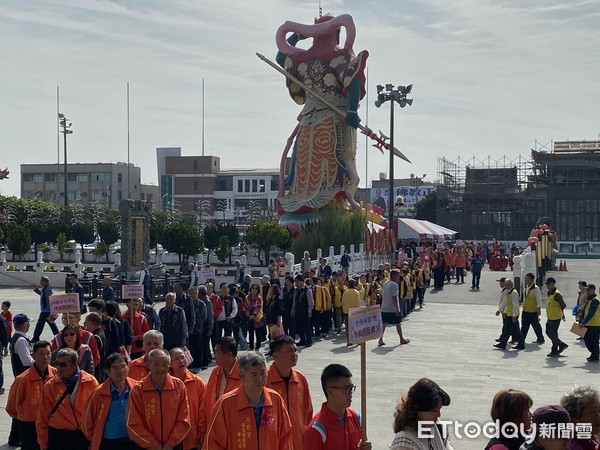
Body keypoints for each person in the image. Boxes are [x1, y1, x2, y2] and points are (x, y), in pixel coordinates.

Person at [275, 15, 366, 217]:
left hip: (311, 122)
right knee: (324, 161)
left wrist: (297, 36)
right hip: (330, 121)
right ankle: (326, 202)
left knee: (315, 161)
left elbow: (281, 57)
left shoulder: (304, 59)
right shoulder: (339, 57)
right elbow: (353, 81)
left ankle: (315, 200)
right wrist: (352, 111)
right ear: (337, 33)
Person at [204, 352, 292, 450]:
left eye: (263, 373)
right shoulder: (225, 404)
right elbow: (213, 443)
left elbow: (285, 438)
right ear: (241, 376)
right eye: (254, 375)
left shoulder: (276, 400)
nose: (259, 379)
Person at [36, 347, 100, 450]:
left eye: (63, 365)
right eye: (56, 363)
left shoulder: (90, 382)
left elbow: (97, 414)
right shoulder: (50, 386)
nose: (58, 368)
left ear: (75, 365)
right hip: (58, 435)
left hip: (82, 435)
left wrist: (95, 440)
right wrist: (43, 444)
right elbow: (42, 417)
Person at [126, 348, 191, 450]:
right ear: (148, 364)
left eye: (165, 364)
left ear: (169, 365)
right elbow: (133, 424)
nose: (161, 368)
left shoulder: (179, 386)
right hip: (146, 447)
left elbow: (184, 420)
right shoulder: (138, 390)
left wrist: (170, 443)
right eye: (156, 364)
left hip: (173, 446)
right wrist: (153, 445)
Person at [303, 363, 371, 450]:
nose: (350, 392)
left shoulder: (357, 418)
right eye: (346, 388)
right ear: (330, 392)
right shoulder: (317, 431)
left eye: (351, 388)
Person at [6, 341, 57, 450]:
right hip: (29, 424)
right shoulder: (22, 379)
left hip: (49, 422)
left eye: (48, 353)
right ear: (33, 355)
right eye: (41, 354)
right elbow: (12, 405)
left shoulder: (56, 375)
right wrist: (24, 415)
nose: (45, 357)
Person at [81, 353, 137, 450]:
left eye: (123, 366)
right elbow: (86, 422)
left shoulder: (136, 389)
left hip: (132, 440)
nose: (120, 371)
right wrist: (95, 437)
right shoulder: (98, 393)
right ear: (107, 372)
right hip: (108, 441)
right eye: (115, 368)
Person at [266, 336, 313, 450]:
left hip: (298, 441)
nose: (294, 354)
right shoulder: (265, 380)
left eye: (295, 350)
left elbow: (308, 411)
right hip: (273, 442)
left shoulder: (300, 379)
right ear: (275, 355)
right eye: (288, 351)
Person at [389, 378, 452, 450]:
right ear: (418, 411)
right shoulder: (404, 444)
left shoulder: (439, 427)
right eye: (434, 411)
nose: (438, 415)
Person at [169, 347, 207, 450]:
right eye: (176, 359)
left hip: (193, 437)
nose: (181, 360)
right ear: (170, 364)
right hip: (172, 439)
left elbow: (204, 409)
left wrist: (202, 432)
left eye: (183, 357)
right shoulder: (166, 383)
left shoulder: (197, 382)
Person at [8, 313, 35, 446]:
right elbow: (26, 361)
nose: (29, 325)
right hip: (24, 377)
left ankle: (14, 437)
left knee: (19, 407)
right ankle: (15, 437)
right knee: (22, 408)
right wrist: (39, 361)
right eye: (28, 323)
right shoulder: (21, 340)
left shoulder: (16, 338)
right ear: (24, 325)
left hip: (18, 376)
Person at [204, 337, 241, 423]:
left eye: (217, 352)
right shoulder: (215, 372)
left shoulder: (244, 375)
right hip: (215, 425)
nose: (214, 356)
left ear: (229, 355)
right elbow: (206, 400)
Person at [379, 269, 410, 346]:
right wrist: (397, 309)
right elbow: (394, 298)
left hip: (384, 307)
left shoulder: (385, 283)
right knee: (398, 323)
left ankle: (380, 339)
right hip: (392, 308)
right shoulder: (394, 285)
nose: (398, 278)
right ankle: (401, 339)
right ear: (394, 276)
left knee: (384, 324)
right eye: (397, 275)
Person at [494, 279, 525, 350]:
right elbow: (504, 302)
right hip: (509, 313)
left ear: (510, 285)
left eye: (506, 284)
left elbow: (515, 305)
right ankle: (519, 343)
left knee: (509, 330)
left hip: (512, 315)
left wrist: (514, 316)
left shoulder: (514, 293)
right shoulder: (508, 292)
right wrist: (500, 310)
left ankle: (504, 344)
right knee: (513, 329)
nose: (504, 285)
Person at [31, 276, 60, 342]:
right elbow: (42, 295)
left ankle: (36, 338)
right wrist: (36, 288)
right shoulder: (46, 288)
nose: (40, 282)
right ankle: (58, 337)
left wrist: (52, 311)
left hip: (46, 311)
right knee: (51, 324)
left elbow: (49, 300)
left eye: (41, 281)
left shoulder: (47, 289)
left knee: (40, 324)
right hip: (46, 310)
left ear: (45, 281)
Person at [544, 277, 568, 358]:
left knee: (554, 334)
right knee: (548, 332)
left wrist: (562, 314)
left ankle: (554, 350)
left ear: (553, 284)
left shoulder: (557, 294)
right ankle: (560, 344)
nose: (547, 285)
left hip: (556, 317)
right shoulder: (549, 292)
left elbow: (563, 305)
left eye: (548, 284)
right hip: (550, 317)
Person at [520, 273, 545, 344]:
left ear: (532, 280)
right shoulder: (525, 288)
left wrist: (539, 309)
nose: (526, 280)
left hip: (533, 311)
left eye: (528, 279)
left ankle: (540, 338)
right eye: (525, 279)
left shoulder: (536, 288)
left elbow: (538, 299)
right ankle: (522, 339)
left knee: (536, 326)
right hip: (525, 310)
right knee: (524, 326)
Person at [188, 285, 208, 370]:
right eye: (190, 293)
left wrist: (198, 324)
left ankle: (198, 364)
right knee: (189, 348)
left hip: (198, 329)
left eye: (194, 293)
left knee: (198, 348)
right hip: (188, 330)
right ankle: (190, 364)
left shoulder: (201, 304)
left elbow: (204, 316)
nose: (192, 294)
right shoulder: (187, 303)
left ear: (197, 293)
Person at [578, 284, 600, 362]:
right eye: (586, 290)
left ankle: (595, 356)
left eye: (589, 290)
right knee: (587, 340)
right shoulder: (589, 299)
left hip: (594, 324)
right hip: (589, 324)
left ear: (593, 290)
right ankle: (594, 354)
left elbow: (591, 313)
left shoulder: (595, 300)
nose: (587, 292)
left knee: (593, 341)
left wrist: (583, 322)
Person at [292, 275, 314, 347]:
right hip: (298, 311)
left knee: (307, 326)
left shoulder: (307, 290)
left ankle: (309, 340)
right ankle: (302, 340)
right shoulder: (296, 290)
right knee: (299, 326)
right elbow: (295, 301)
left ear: (301, 281)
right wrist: (293, 308)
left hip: (305, 311)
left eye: (297, 281)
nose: (296, 283)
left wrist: (310, 310)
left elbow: (310, 301)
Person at [243, 283, 266, 351]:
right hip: (249, 317)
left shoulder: (259, 298)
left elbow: (258, 307)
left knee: (258, 334)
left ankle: (257, 347)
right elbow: (245, 306)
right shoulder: (247, 297)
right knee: (250, 333)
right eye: (253, 288)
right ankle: (251, 346)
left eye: (256, 288)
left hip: (257, 318)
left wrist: (253, 314)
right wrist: (252, 306)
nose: (254, 290)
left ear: (258, 290)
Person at [83, 313, 107, 380]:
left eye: (85, 323)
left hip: (97, 371)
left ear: (89, 323)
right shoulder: (101, 333)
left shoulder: (96, 337)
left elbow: (94, 356)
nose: (85, 326)